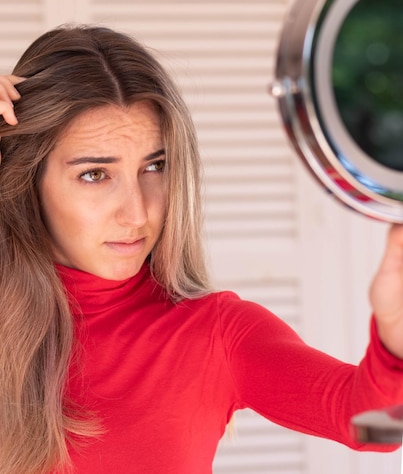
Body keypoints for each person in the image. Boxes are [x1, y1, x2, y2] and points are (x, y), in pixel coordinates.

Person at [0, 25, 403, 474]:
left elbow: (377, 426)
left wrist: (396, 340)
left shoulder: (215, 334)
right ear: (27, 181)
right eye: (95, 174)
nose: (137, 213)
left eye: (155, 166)